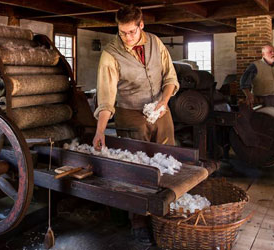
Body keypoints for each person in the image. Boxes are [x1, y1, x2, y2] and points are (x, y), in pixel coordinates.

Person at [91, 5, 179, 244]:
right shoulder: (110, 53)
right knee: (137, 167)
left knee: (168, 161)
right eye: (122, 32)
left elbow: (170, 78)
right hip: (129, 113)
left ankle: (167, 214)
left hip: (161, 110)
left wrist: (163, 101)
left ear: (142, 25)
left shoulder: (156, 43)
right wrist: (100, 131)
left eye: (131, 31)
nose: (127, 37)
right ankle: (138, 221)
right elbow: (106, 97)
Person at [240, 44, 274, 109]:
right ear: (263, 54)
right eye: (270, 51)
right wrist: (248, 95)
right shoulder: (255, 65)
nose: (273, 53)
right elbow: (243, 82)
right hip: (262, 102)